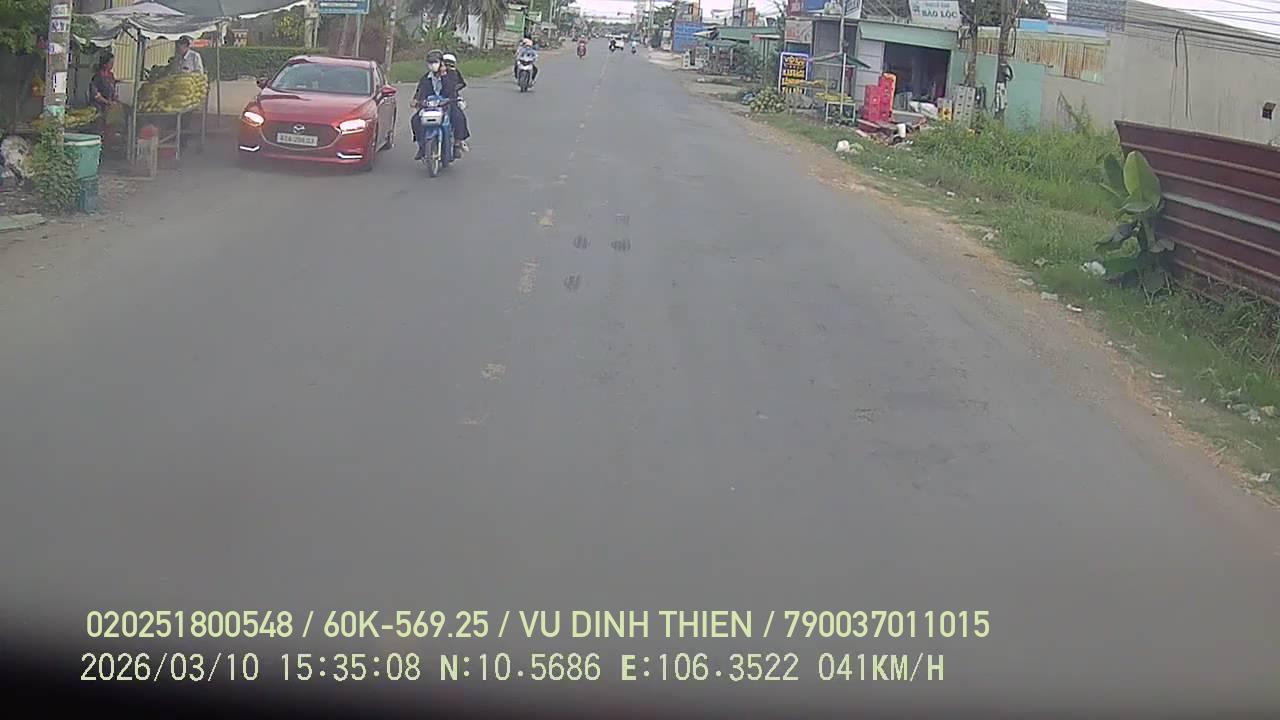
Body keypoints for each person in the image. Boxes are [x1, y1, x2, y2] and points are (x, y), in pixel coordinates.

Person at [411, 50, 461, 160]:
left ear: (441, 63)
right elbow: (420, 91)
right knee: (415, 120)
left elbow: (451, 89)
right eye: (430, 62)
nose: (433, 65)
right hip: (430, 106)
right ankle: (421, 146)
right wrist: (416, 100)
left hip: (446, 104)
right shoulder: (426, 78)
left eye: (435, 62)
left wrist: (444, 76)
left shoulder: (451, 75)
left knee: (458, 117)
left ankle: (457, 144)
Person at [441, 53, 470, 153]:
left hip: (450, 100)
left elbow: (460, 84)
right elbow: (422, 88)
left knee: (459, 118)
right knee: (417, 119)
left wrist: (454, 90)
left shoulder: (454, 74)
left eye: (450, 64)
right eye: (446, 64)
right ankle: (422, 144)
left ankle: (458, 141)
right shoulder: (432, 75)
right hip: (434, 102)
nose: (448, 66)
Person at [89, 54, 119, 137]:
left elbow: (113, 89)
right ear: (104, 64)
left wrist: (114, 98)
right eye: (110, 63)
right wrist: (107, 102)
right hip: (99, 107)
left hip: (109, 107)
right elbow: (95, 95)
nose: (112, 65)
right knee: (100, 127)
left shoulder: (111, 76)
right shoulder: (98, 77)